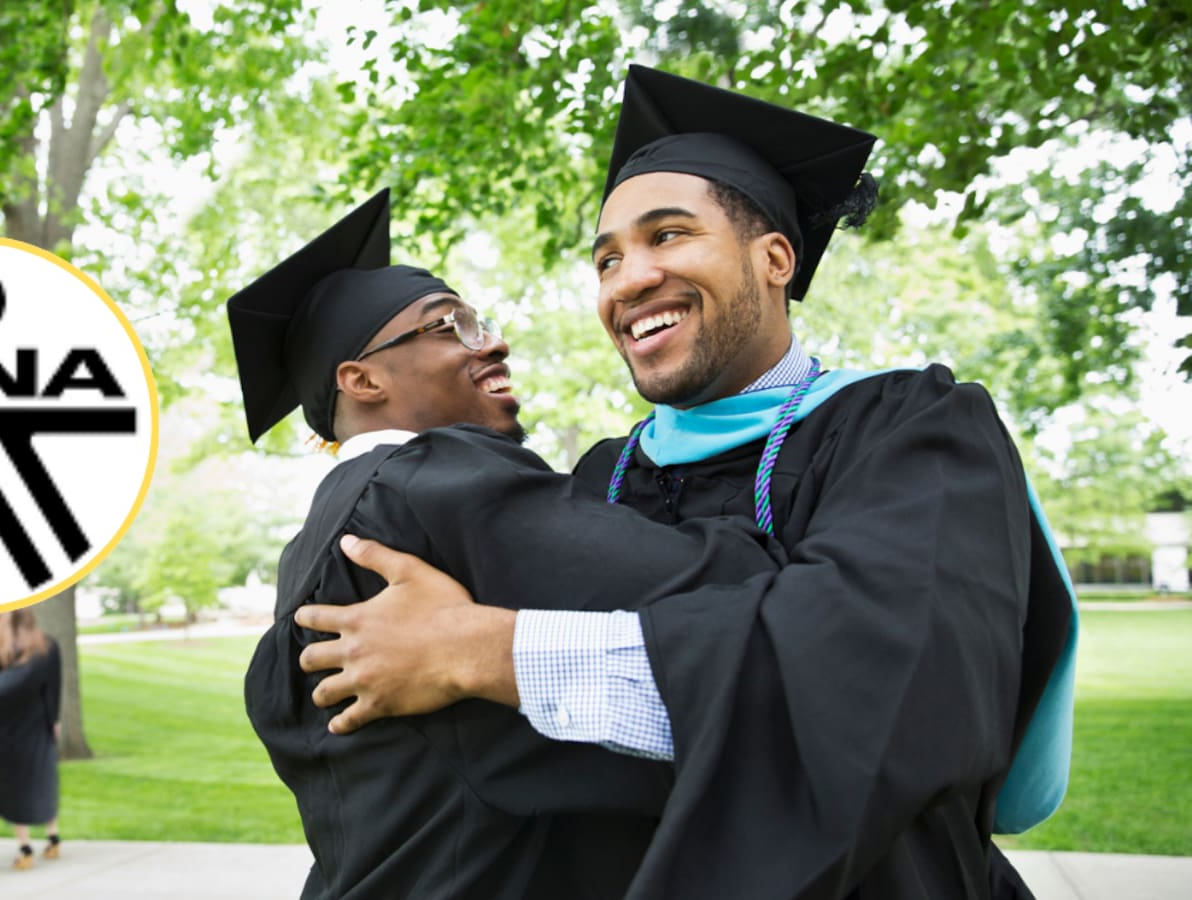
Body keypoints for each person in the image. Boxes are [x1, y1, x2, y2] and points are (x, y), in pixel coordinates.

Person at [295, 66, 1078, 900]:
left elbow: (886, 688)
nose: (627, 281)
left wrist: (483, 649)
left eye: (668, 235)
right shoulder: (604, 476)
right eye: (607, 260)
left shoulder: (913, 428)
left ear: (775, 256)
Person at [231, 189, 793, 898]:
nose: (491, 341)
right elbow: (718, 589)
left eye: (480, 321)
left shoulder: (314, 550)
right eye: (449, 328)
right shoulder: (432, 483)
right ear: (362, 379)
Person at [0, 608, 63, 871]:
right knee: (42, 779)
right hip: (35, 723)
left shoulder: (0, 647)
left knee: (13, 784)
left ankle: (25, 847)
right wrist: (54, 720)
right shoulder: (47, 646)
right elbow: (53, 687)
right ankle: (52, 837)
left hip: (6, 727)